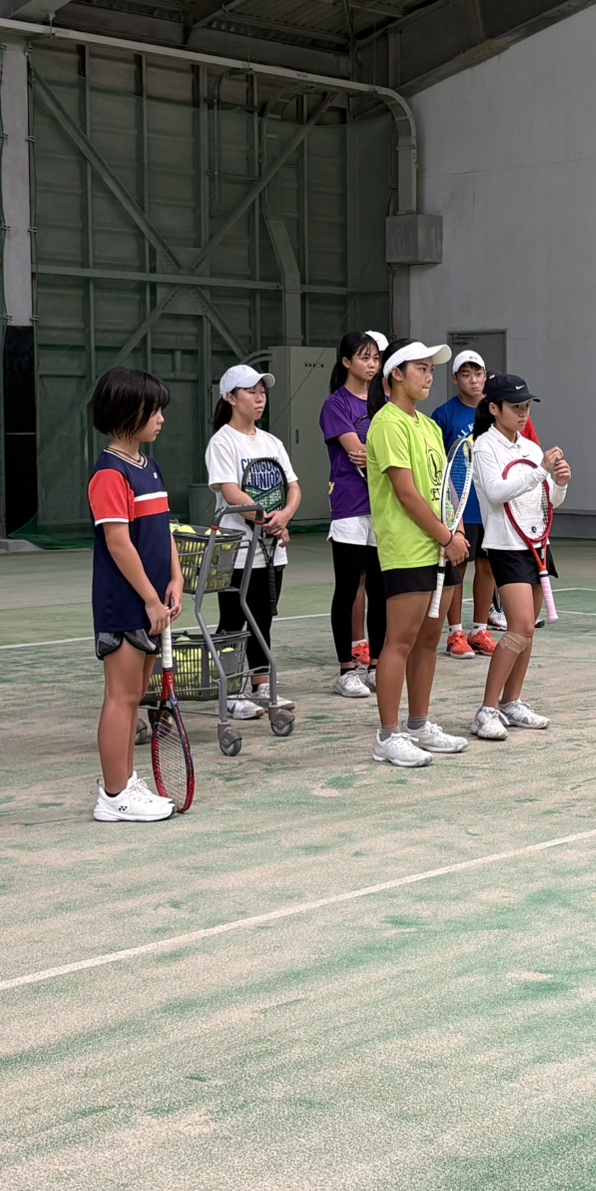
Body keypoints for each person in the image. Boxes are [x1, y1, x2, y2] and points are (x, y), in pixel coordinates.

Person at [364, 340, 470, 768]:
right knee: (400, 642)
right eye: (420, 368)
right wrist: (446, 535)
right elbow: (406, 492)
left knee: (428, 640)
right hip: (408, 549)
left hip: (442, 546)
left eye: (431, 369)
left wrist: (456, 527)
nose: (428, 376)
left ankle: (419, 725)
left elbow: (444, 485)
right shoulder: (387, 423)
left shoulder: (427, 425)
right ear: (396, 374)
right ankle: (388, 736)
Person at [88, 366, 184, 823]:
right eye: (153, 410)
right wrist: (148, 598)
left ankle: (126, 782)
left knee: (135, 695)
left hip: (151, 599)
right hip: (124, 601)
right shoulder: (110, 473)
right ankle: (113, 795)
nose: (161, 418)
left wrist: (175, 579)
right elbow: (118, 544)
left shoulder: (150, 466)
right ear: (126, 412)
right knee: (122, 697)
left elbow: (163, 529)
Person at [468, 374, 570, 740]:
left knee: (528, 631)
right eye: (515, 406)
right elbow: (496, 492)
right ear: (494, 409)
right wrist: (542, 470)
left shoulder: (530, 447)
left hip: (537, 544)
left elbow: (548, 499)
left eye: (526, 406)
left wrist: (560, 482)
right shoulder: (484, 447)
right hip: (506, 547)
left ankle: (512, 701)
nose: (523, 412)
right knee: (520, 628)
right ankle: (486, 710)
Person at [206, 364, 300, 719]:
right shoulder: (222, 442)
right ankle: (230, 692)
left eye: (263, 392)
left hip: (271, 552)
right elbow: (231, 492)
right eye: (251, 392)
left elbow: (293, 487)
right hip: (236, 551)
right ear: (231, 398)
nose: (260, 399)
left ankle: (262, 686)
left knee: (262, 619)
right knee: (233, 620)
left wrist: (284, 516)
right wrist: (269, 522)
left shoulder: (272, 442)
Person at [320, 331, 385, 698]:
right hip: (349, 505)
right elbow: (356, 452)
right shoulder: (336, 405)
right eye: (364, 357)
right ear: (346, 362)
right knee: (347, 586)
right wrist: (380, 456)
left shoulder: (385, 404)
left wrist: (374, 455)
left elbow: (373, 453)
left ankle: (377, 666)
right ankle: (346, 670)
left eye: (375, 358)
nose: (371, 365)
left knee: (380, 588)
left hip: (383, 506)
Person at [430, 349, 497, 659]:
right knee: (457, 566)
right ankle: (455, 633)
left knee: (487, 565)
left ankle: (480, 630)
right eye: (466, 375)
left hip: (490, 504)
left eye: (478, 373)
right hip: (458, 507)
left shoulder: (495, 411)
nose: (473, 380)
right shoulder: (443, 416)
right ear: (455, 379)